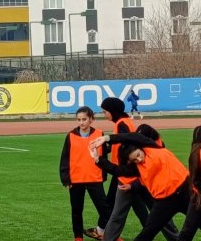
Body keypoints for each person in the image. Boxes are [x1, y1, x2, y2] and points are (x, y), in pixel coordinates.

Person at [98, 97, 179, 241]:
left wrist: (106, 151)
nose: (104, 114)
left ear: (112, 111)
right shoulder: (124, 122)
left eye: (105, 111)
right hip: (137, 176)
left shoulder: (122, 124)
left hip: (131, 176)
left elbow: (127, 148)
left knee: (118, 216)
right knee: (154, 212)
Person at [90, 128, 190, 241]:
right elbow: (118, 170)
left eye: (138, 154)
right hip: (162, 200)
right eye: (135, 159)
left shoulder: (153, 147)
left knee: (199, 223)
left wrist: (106, 138)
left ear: (141, 146)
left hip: (183, 193)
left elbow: (133, 137)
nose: (139, 159)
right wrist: (98, 159)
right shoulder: (137, 167)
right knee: (146, 230)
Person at [59, 106, 111, 241]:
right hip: (75, 180)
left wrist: (104, 174)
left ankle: (108, 234)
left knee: (105, 210)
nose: (81, 122)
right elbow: (64, 159)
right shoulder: (70, 135)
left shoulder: (99, 134)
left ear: (91, 119)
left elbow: (104, 157)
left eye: (84, 119)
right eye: (78, 119)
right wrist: (66, 179)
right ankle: (78, 237)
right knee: (76, 211)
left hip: (95, 178)